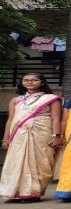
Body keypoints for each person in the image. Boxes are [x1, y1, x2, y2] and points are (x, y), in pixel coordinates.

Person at [0, 73, 62, 202]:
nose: (30, 82)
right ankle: (16, 192)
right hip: (19, 135)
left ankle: (34, 192)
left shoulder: (51, 98)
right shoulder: (16, 100)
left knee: (41, 162)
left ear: (42, 82)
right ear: (22, 82)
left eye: (34, 80)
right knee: (16, 162)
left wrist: (56, 136)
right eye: (26, 80)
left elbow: (56, 119)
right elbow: (10, 120)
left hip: (42, 133)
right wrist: (6, 138)